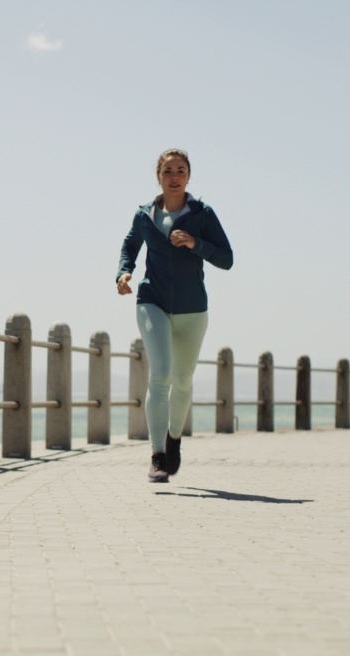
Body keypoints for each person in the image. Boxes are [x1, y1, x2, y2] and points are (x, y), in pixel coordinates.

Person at [116, 149, 233, 483]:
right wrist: (123, 273)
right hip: (151, 300)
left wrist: (196, 244)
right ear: (159, 176)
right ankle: (156, 455)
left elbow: (227, 259)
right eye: (168, 171)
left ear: (188, 177)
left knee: (182, 381)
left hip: (193, 309)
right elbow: (129, 247)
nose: (174, 176)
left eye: (181, 171)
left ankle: (174, 440)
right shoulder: (144, 216)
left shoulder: (202, 214)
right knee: (161, 374)